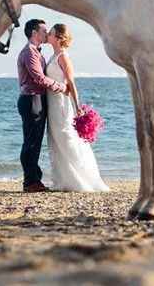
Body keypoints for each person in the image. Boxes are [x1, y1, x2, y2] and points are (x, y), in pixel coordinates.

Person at [45, 24, 110, 192]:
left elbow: (71, 83)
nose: (47, 35)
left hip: (61, 103)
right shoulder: (53, 55)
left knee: (67, 138)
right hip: (52, 103)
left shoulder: (63, 56)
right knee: (57, 140)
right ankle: (64, 179)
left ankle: (82, 179)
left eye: (50, 33)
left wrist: (76, 106)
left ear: (58, 38)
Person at [17, 19, 67, 193]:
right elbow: (39, 78)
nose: (47, 34)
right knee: (31, 142)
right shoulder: (30, 53)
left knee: (34, 141)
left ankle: (33, 179)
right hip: (32, 99)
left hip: (36, 99)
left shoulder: (37, 52)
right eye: (44, 31)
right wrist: (61, 87)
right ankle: (30, 182)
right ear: (34, 33)